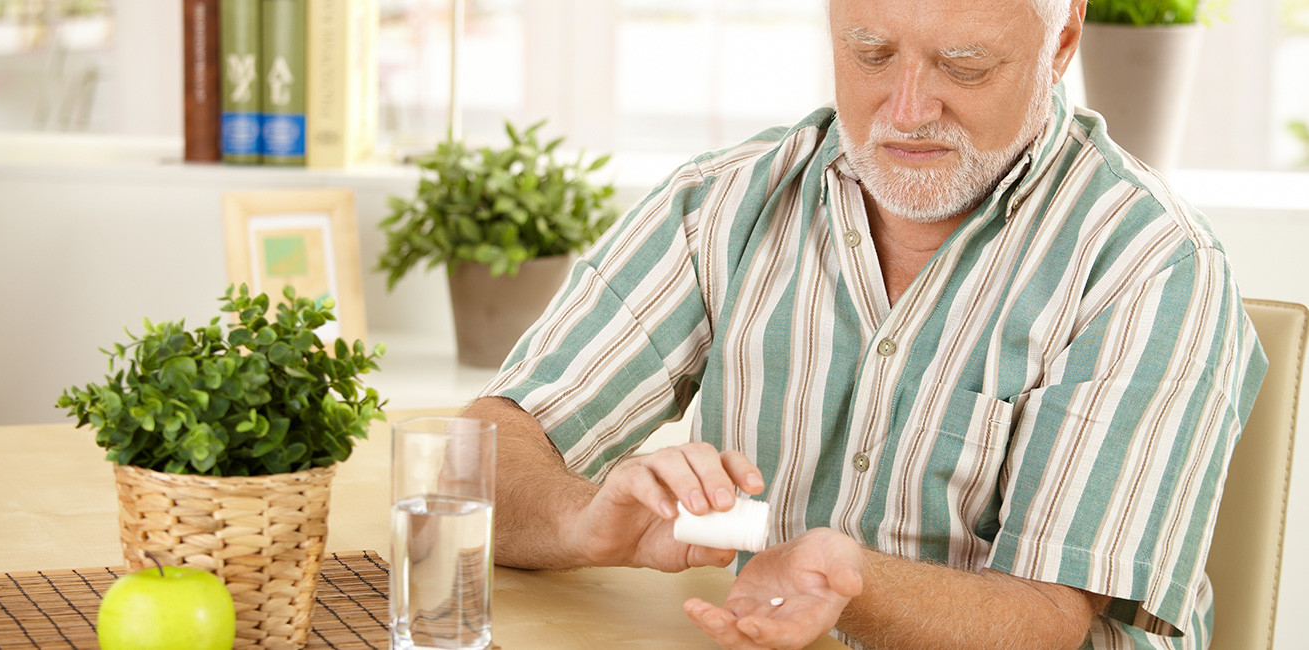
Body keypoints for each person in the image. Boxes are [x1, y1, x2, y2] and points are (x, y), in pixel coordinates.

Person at [462, 0, 1268, 648]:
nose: (908, 110)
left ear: (1063, 41)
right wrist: (582, 520)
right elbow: (478, 456)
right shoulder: (724, 203)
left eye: (966, 64)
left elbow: (1051, 620)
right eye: (871, 53)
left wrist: (850, 582)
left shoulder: (1153, 264)